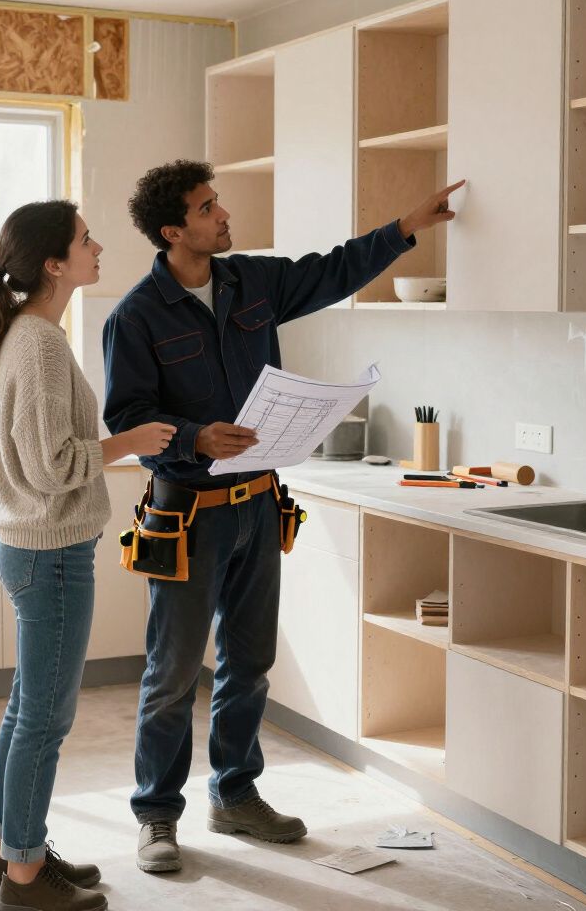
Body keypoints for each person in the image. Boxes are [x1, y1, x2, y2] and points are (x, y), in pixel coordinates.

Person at [103, 160, 464, 873]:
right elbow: (126, 420)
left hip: (258, 508)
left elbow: (329, 271)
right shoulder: (135, 317)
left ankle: (235, 796)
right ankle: (156, 816)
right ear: (174, 231)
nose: (222, 214)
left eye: (217, 202)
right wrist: (195, 436)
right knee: (173, 672)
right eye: (208, 208)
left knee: (250, 663)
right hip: (184, 517)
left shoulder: (251, 283)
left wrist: (402, 231)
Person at [0, 199, 176, 911]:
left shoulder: (30, 334)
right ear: (55, 263)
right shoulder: (41, 343)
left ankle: (9, 851)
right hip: (50, 554)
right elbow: (55, 465)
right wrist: (131, 441)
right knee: (45, 720)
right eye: (87, 239)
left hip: (33, 549)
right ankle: (24, 880)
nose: (99, 246)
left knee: (29, 710)